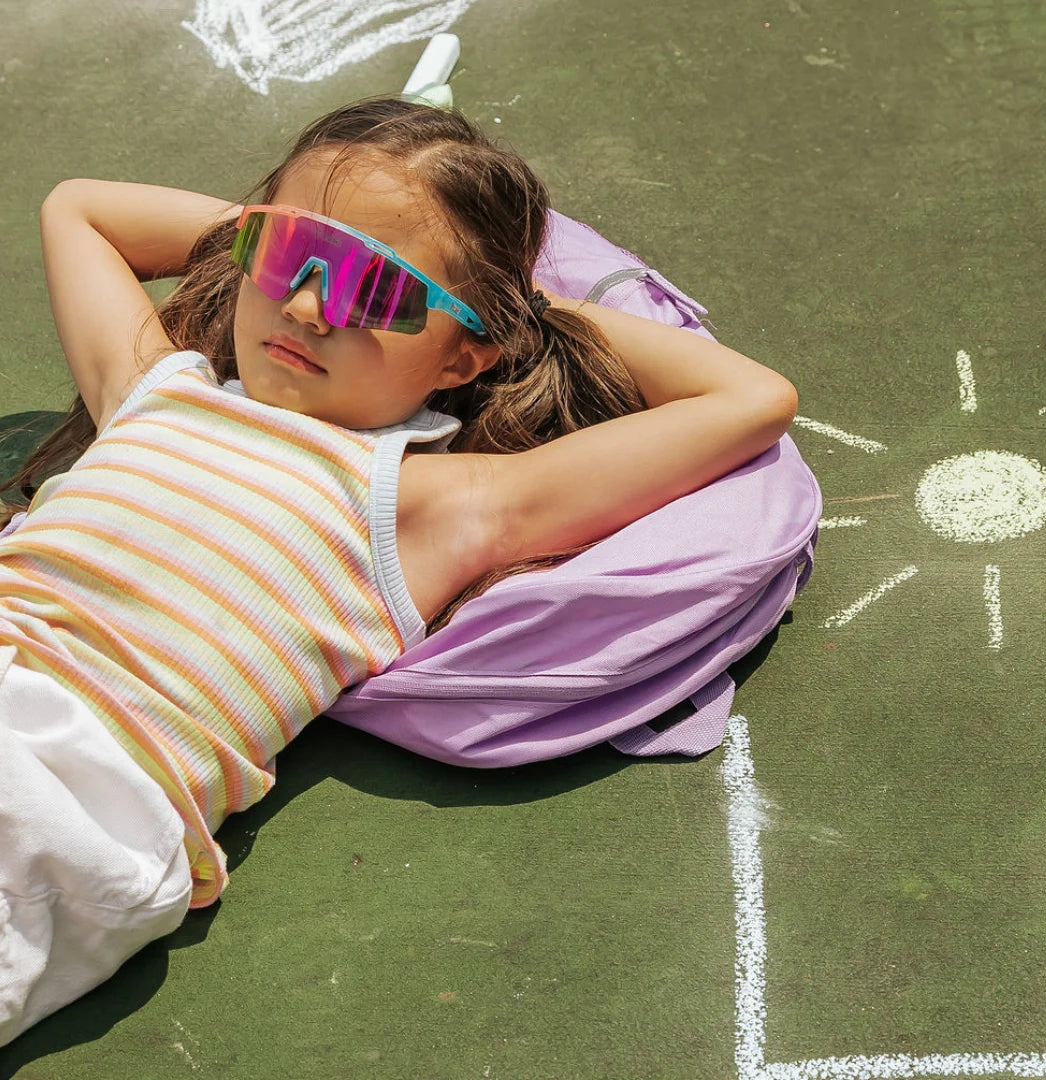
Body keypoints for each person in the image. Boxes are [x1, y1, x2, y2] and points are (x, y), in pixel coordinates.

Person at [0, 96, 797, 1044]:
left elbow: (752, 397)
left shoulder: (428, 509)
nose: (303, 305)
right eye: (286, 259)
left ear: (465, 354)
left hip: (73, 793)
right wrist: (307, 239)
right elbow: (77, 208)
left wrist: (534, 314)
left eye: (372, 293)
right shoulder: (154, 390)